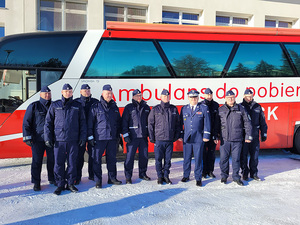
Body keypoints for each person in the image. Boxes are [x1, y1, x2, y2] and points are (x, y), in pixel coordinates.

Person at [44, 83, 87, 195]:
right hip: (59, 140)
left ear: (72, 92)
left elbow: (83, 123)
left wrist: (83, 137)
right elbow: (48, 123)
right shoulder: (55, 105)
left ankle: (70, 183)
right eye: (66, 91)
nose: (68, 93)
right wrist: (48, 138)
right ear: (62, 92)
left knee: (72, 163)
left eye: (70, 91)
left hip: (73, 140)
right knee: (58, 163)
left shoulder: (77, 106)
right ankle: (60, 184)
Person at [87, 84, 122, 189]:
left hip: (112, 138)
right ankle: (98, 180)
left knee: (112, 159)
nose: (109, 95)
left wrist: (118, 136)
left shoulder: (114, 106)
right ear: (102, 93)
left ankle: (112, 178)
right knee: (97, 160)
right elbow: (90, 124)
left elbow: (118, 122)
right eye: (107, 93)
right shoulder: (95, 107)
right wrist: (90, 137)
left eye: (111, 93)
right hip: (99, 138)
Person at [217, 90, 252, 186]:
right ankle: (224, 176)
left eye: (232, 97)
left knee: (236, 159)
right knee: (223, 159)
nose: (230, 99)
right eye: (228, 98)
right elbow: (216, 124)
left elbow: (247, 122)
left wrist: (248, 135)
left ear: (235, 98)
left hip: (237, 139)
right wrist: (215, 136)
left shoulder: (241, 109)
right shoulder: (221, 110)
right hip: (225, 140)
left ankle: (236, 177)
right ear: (225, 98)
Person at [22, 86, 54, 191]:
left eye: (49, 94)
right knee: (37, 161)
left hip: (51, 139)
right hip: (37, 139)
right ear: (40, 94)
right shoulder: (34, 106)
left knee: (52, 160)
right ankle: (36, 182)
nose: (47, 95)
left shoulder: (54, 106)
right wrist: (27, 137)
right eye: (45, 94)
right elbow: (26, 123)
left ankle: (52, 178)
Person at [148, 89, 181, 185]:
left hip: (169, 139)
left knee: (168, 160)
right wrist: (152, 137)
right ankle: (159, 176)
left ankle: (166, 176)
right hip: (159, 139)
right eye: (164, 96)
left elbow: (178, 124)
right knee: (158, 159)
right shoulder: (155, 109)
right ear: (161, 97)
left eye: (167, 96)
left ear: (169, 97)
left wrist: (176, 136)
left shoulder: (173, 109)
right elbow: (150, 124)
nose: (166, 98)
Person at [179, 89, 211, 187]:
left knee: (198, 158)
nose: (193, 99)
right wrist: (180, 135)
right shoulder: (184, 108)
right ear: (188, 98)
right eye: (191, 97)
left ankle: (198, 178)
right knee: (186, 158)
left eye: (195, 97)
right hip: (187, 138)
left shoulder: (203, 108)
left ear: (198, 98)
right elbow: (180, 123)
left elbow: (207, 123)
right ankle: (186, 175)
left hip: (198, 138)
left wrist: (206, 135)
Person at [122, 89, 151, 184]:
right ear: (133, 97)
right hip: (132, 137)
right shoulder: (129, 107)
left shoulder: (146, 107)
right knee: (130, 157)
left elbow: (150, 122)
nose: (139, 97)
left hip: (143, 137)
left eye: (140, 95)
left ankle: (142, 173)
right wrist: (125, 135)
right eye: (137, 95)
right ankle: (128, 177)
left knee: (144, 156)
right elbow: (124, 122)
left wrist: (150, 135)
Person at [240, 89, 268, 181]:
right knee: (243, 156)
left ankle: (254, 173)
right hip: (244, 136)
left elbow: (262, 121)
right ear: (244, 96)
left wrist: (264, 133)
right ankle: (244, 173)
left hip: (255, 135)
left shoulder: (257, 107)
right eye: (248, 96)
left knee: (254, 156)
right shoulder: (240, 107)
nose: (249, 98)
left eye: (251, 96)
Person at [74, 84, 99, 184]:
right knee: (79, 156)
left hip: (93, 132)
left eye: (88, 90)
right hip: (80, 133)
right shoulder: (76, 102)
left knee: (93, 155)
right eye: (84, 90)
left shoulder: (95, 102)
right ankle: (78, 176)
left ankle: (92, 175)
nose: (86, 92)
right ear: (80, 92)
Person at [201, 88, 219, 179]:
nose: (209, 97)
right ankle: (203, 171)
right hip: (203, 134)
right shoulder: (200, 105)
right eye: (207, 95)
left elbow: (217, 122)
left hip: (212, 134)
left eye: (210, 95)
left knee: (211, 154)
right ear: (204, 95)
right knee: (203, 153)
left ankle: (210, 171)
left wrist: (216, 135)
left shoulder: (216, 105)